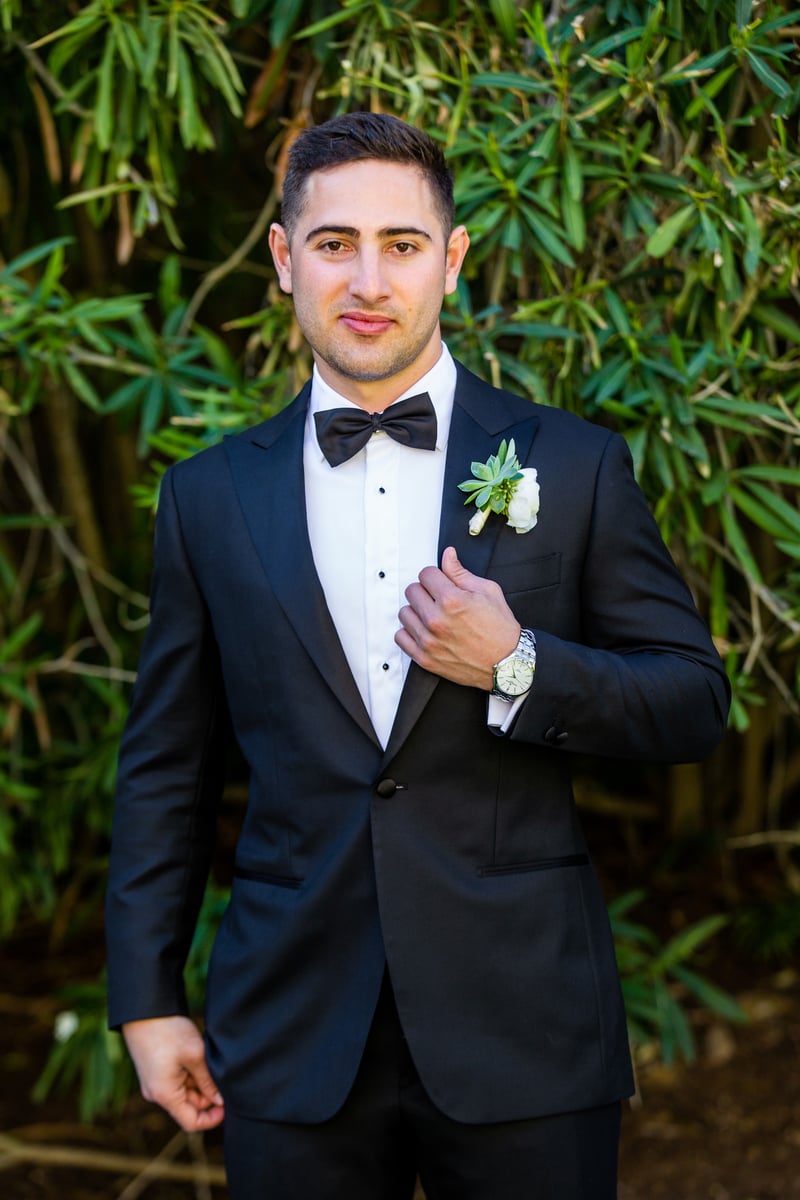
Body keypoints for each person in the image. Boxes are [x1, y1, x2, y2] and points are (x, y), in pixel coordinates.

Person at [106, 111, 730, 1200]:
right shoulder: (207, 497)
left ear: (452, 258)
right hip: (292, 1027)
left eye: (401, 244)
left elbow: (691, 702)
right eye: (333, 243)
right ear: (283, 258)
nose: (367, 280)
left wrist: (519, 664)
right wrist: (147, 1000)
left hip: (525, 1026)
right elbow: (168, 766)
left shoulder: (574, 465)